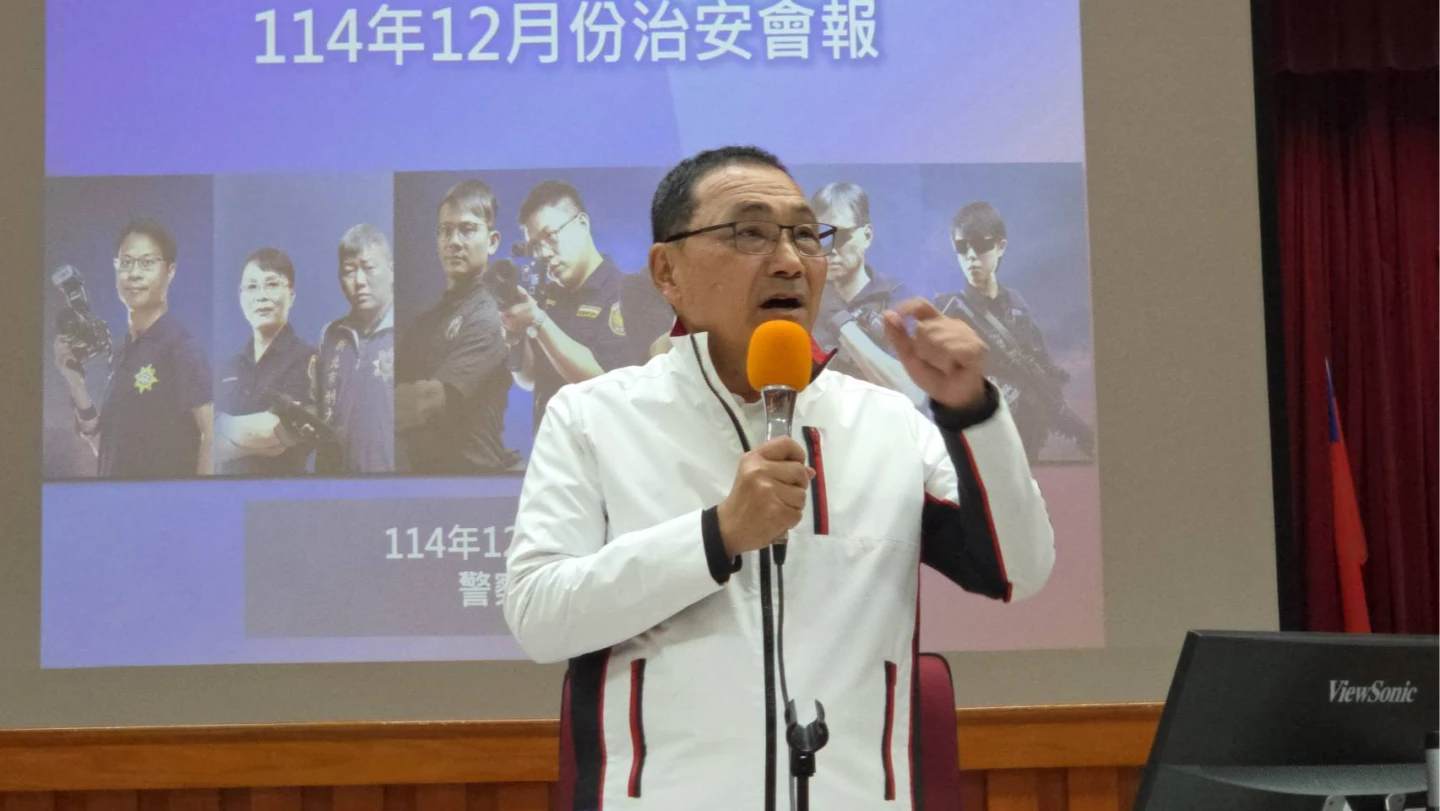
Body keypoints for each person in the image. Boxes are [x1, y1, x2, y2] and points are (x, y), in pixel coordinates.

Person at [504, 146, 1054, 810]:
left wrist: (974, 413)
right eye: (750, 233)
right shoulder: (594, 418)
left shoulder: (887, 423)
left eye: (805, 235)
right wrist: (716, 535)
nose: (790, 260)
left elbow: (1019, 571)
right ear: (667, 271)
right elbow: (539, 615)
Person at [933, 202, 1096, 464]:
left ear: (1001, 247)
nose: (971, 255)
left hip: (1025, 445)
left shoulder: (1018, 307)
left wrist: (1049, 384)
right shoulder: (948, 310)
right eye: (962, 247)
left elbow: (1043, 361)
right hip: (977, 444)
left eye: (981, 245)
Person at [53, 217, 212, 478]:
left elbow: (211, 434)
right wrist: (75, 384)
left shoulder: (180, 346)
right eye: (126, 262)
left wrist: (200, 496)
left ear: (170, 271)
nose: (134, 273)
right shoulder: (122, 353)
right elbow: (107, 449)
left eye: (147, 263)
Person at [395, 180, 519, 474]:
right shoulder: (422, 325)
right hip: (423, 483)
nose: (454, 241)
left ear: (492, 241)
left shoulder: (493, 316)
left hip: (475, 483)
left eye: (467, 229)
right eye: (445, 230)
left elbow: (422, 405)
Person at [499, 180, 636, 429]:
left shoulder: (625, 293)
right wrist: (515, 338)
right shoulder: (545, 298)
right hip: (548, 446)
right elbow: (529, 379)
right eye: (535, 246)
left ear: (582, 223)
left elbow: (604, 383)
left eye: (550, 236)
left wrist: (539, 322)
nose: (543, 254)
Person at [808, 181, 926, 407]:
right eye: (821, 237)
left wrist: (840, 320)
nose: (830, 250)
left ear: (867, 235)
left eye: (841, 236)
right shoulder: (805, 301)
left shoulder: (898, 300)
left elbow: (913, 391)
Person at [213, 248, 317, 476]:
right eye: (252, 287)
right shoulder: (227, 368)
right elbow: (198, 440)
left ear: (292, 295)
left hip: (281, 491)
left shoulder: (309, 359)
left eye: (272, 284)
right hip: (225, 491)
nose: (261, 296)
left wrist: (219, 425)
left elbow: (276, 435)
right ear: (241, 296)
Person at [314, 224, 395, 474]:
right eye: (349, 272)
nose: (359, 281)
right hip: (335, 482)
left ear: (392, 270)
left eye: (368, 268)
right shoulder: (330, 335)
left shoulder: (411, 331)